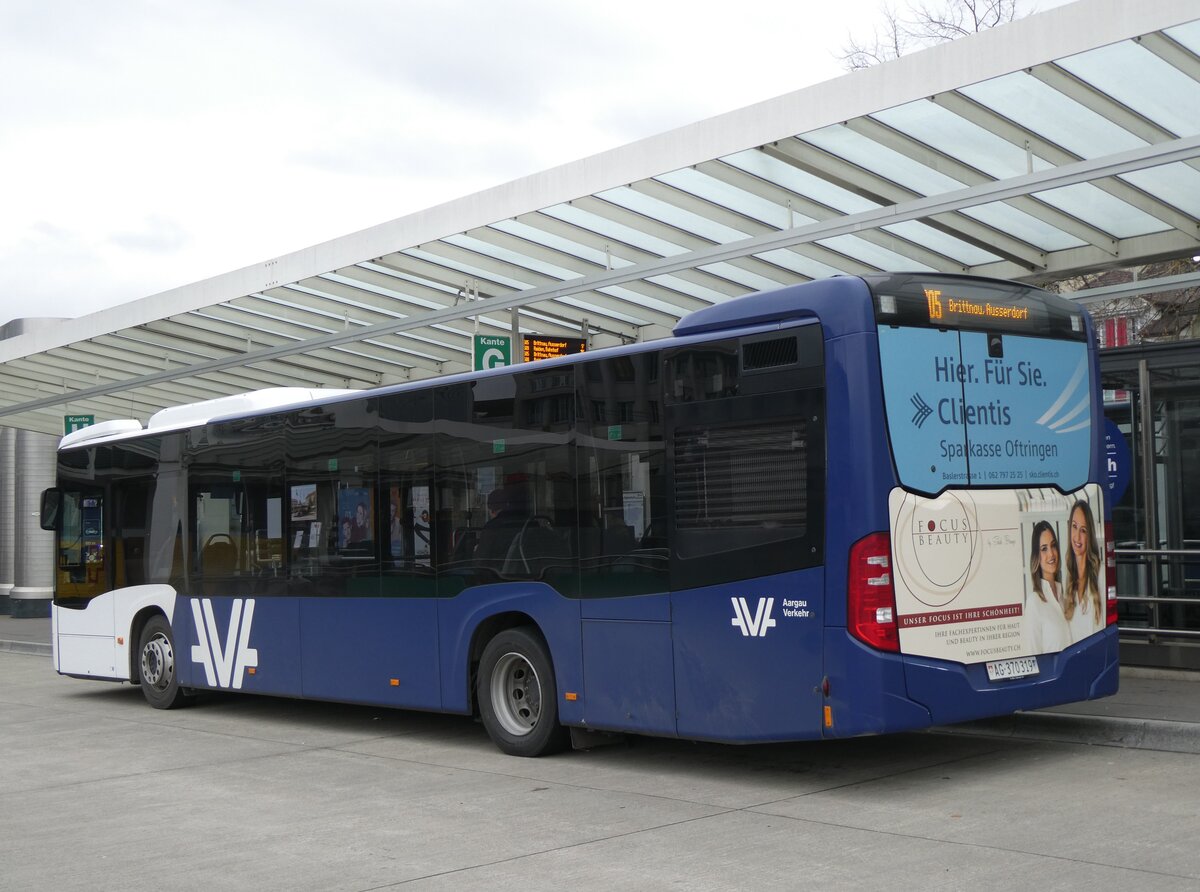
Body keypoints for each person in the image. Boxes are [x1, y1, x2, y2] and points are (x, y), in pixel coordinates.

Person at [1024, 520, 1070, 655]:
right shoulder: (1034, 602)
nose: (1051, 554)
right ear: (1036, 557)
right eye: (1044, 549)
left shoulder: (1065, 598)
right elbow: (1032, 654)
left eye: (1053, 545)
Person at [1065, 498, 1103, 642]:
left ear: (1090, 534)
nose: (1077, 536)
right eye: (1074, 527)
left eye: (1083, 530)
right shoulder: (1068, 579)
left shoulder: (1101, 573)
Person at [473, 486, 527, 577]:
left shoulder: (492, 527)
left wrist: (476, 551)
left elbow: (480, 562)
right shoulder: (528, 523)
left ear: (491, 510)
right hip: (528, 575)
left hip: (498, 577)